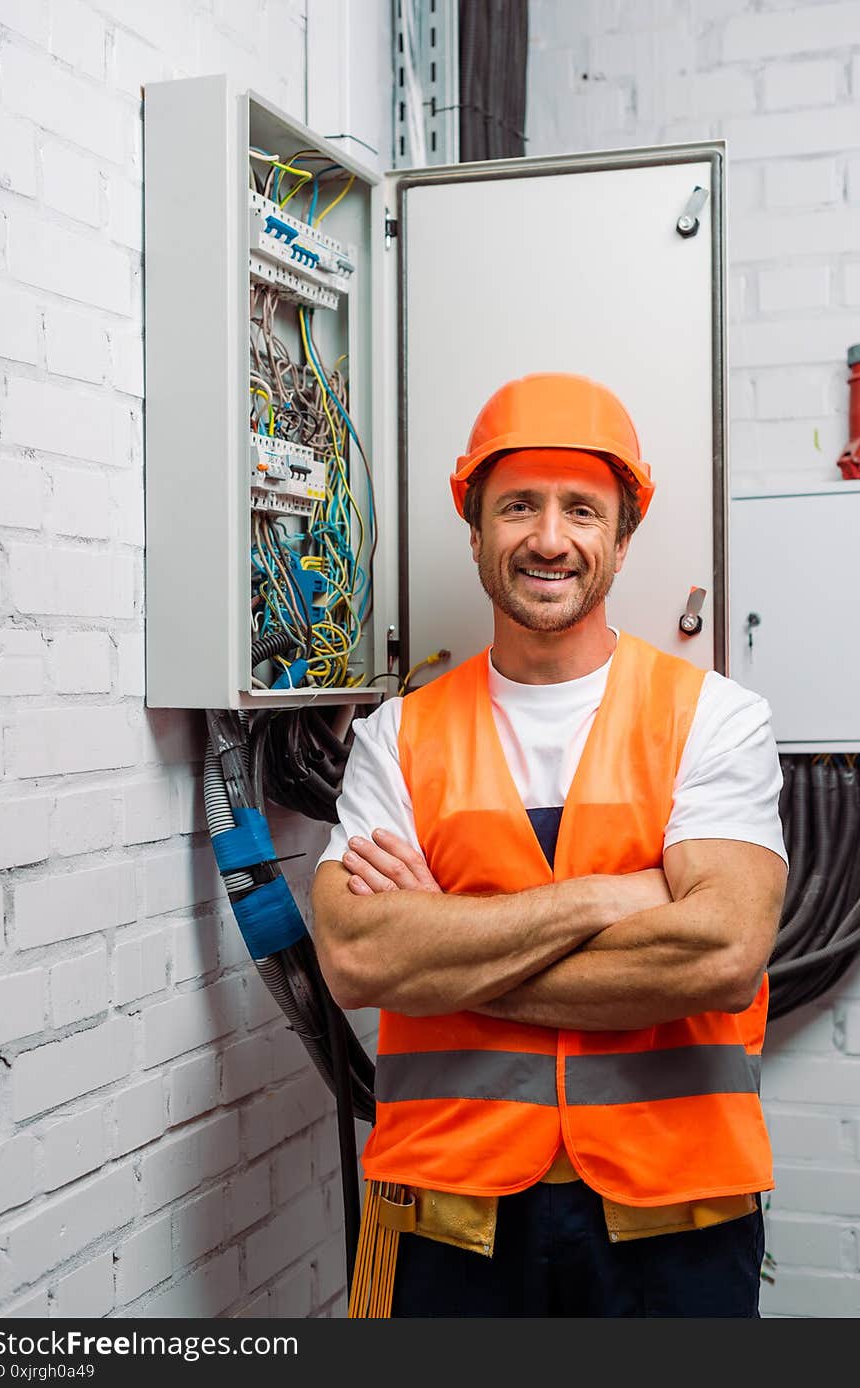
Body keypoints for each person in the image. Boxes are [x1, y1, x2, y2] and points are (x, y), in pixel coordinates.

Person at [311, 372, 788, 1319]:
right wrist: (614, 898)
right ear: (477, 527)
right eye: (518, 506)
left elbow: (723, 954)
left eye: (581, 509)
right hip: (444, 1218)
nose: (549, 537)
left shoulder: (714, 720)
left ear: (621, 535)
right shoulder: (396, 737)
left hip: (676, 1223)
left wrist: (443, 945)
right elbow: (359, 957)